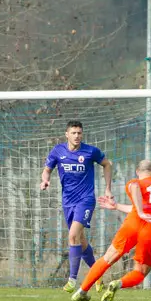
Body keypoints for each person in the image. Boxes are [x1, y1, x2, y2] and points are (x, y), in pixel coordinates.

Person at [71, 160, 151, 301]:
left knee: (107, 258)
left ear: (137, 172)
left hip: (134, 223)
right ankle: (117, 283)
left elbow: (135, 188)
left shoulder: (134, 182)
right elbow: (143, 206)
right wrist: (118, 207)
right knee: (140, 272)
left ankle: (82, 291)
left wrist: (139, 212)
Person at [40, 120, 113, 291]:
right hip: (68, 202)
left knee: (73, 236)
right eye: (73, 133)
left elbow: (107, 164)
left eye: (79, 133)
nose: (77, 136)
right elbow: (47, 169)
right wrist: (45, 180)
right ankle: (97, 274)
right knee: (81, 241)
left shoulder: (90, 151)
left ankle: (72, 281)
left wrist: (108, 188)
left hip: (86, 200)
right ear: (67, 134)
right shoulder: (58, 151)